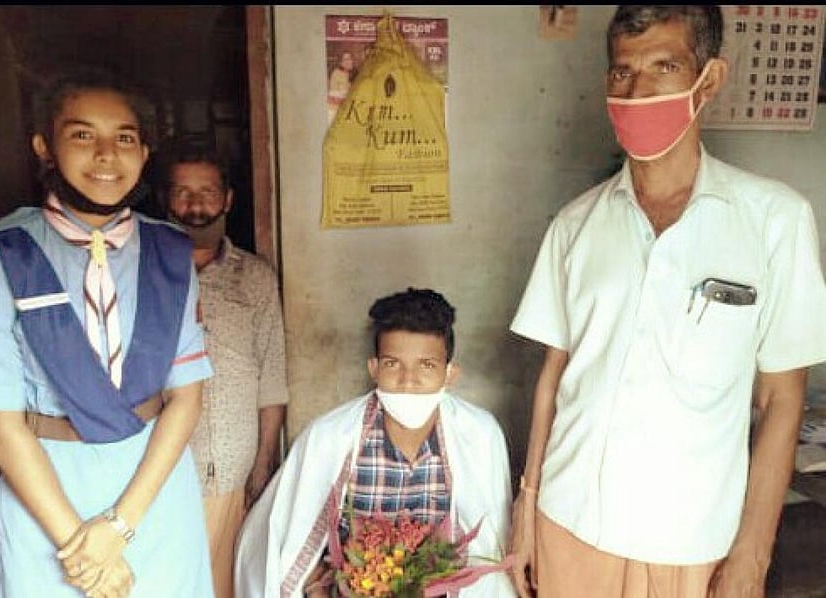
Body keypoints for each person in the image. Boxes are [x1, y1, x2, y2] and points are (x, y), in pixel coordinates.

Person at [507, 6, 826, 598]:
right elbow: (553, 377)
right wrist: (525, 510)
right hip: (570, 522)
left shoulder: (774, 221)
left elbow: (783, 398)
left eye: (664, 66)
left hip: (691, 541)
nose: (638, 89)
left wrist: (751, 558)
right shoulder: (576, 225)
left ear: (708, 80)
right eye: (622, 72)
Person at [0, 67, 214, 597]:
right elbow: (0, 427)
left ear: (144, 154)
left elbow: (186, 400)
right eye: (82, 135)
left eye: (124, 138)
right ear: (44, 148)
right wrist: (81, 545)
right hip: (47, 498)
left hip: (154, 490)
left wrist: (119, 527)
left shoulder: (170, 252)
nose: (105, 154)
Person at [234, 288, 516, 597]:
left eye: (426, 366)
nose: (409, 380)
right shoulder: (329, 438)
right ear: (374, 368)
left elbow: (492, 547)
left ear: (450, 373)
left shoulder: (480, 436)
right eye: (393, 364)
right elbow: (288, 545)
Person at [155, 136, 289, 598]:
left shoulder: (255, 277)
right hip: (156, 468)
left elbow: (271, 378)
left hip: (231, 469)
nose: (196, 205)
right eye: (183, 192)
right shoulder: (140, 272)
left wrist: (264, 464)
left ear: (228, 198)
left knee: (226, 585)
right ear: (165, 199)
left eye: (208, 192)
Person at [327, 50, 357, 123]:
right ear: (340, 62)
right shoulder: (336, 74)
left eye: (350, 59)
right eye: (346, 59)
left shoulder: (352, 74)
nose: (349, 61)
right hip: (335, 112)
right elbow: (332, 96)